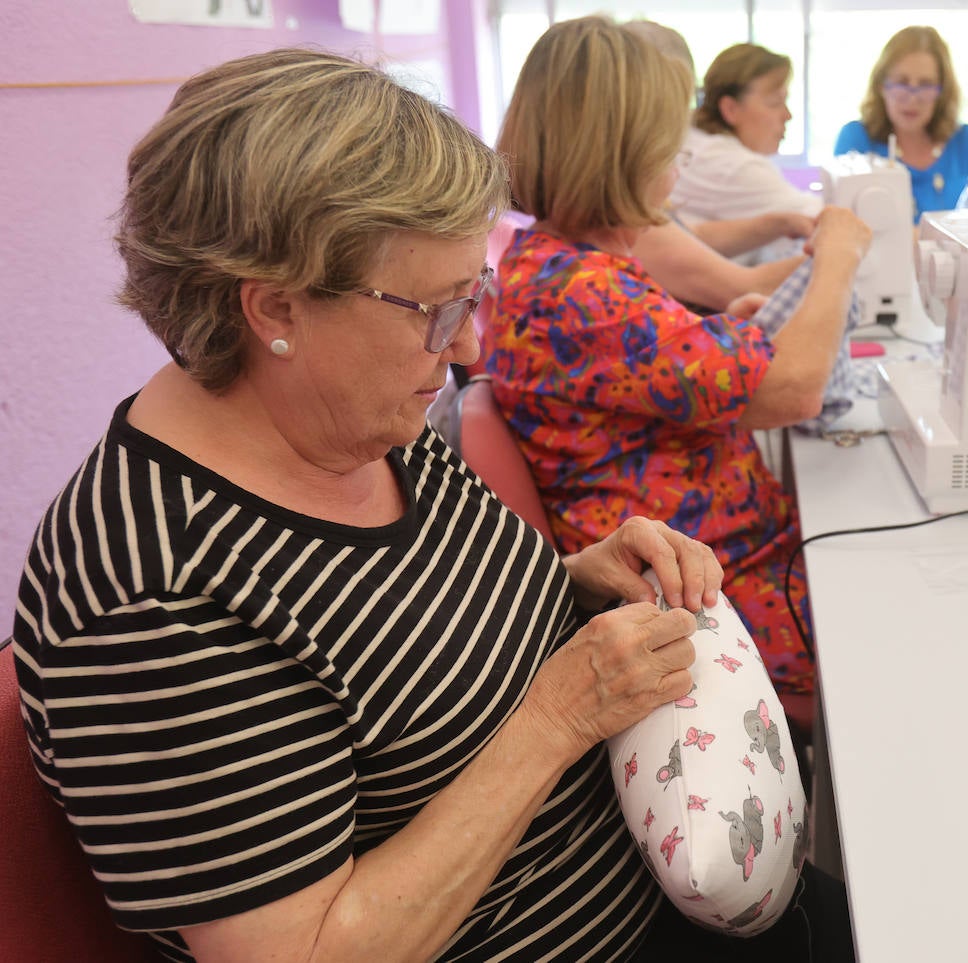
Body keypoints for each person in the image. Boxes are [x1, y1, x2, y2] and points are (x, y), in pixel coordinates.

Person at [9, 47, 735, 963]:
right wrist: (560, 714)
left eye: (477, 293)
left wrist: (570, 584)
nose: (468, 342)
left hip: (659, 877)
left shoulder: (355, 417)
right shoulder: (154, 597)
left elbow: (397, 641)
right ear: (276, 310)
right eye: (439, 311)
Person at [489, 16, 871, 699]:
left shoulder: (556, 264)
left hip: (724, 559)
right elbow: (794, 390)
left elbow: (647, 372)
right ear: (631, 153)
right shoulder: (586, 292)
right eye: (672, 148)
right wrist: (838, 258)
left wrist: (724, 334)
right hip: (714, 598)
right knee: (916, 625)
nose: (678, 167)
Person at [669, 42, 825, 265]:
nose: (787, 115)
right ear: (731, 109)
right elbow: (823, 218)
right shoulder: (731, 165)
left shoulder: (696, 139)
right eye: (775, 103)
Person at [834, 25, 968, 220]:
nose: (912, 98)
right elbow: (844, 226)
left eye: (925, 85)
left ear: (942, 91)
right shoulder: (856, 140)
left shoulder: (966, 141)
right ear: (882, 86)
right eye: (902, 82)